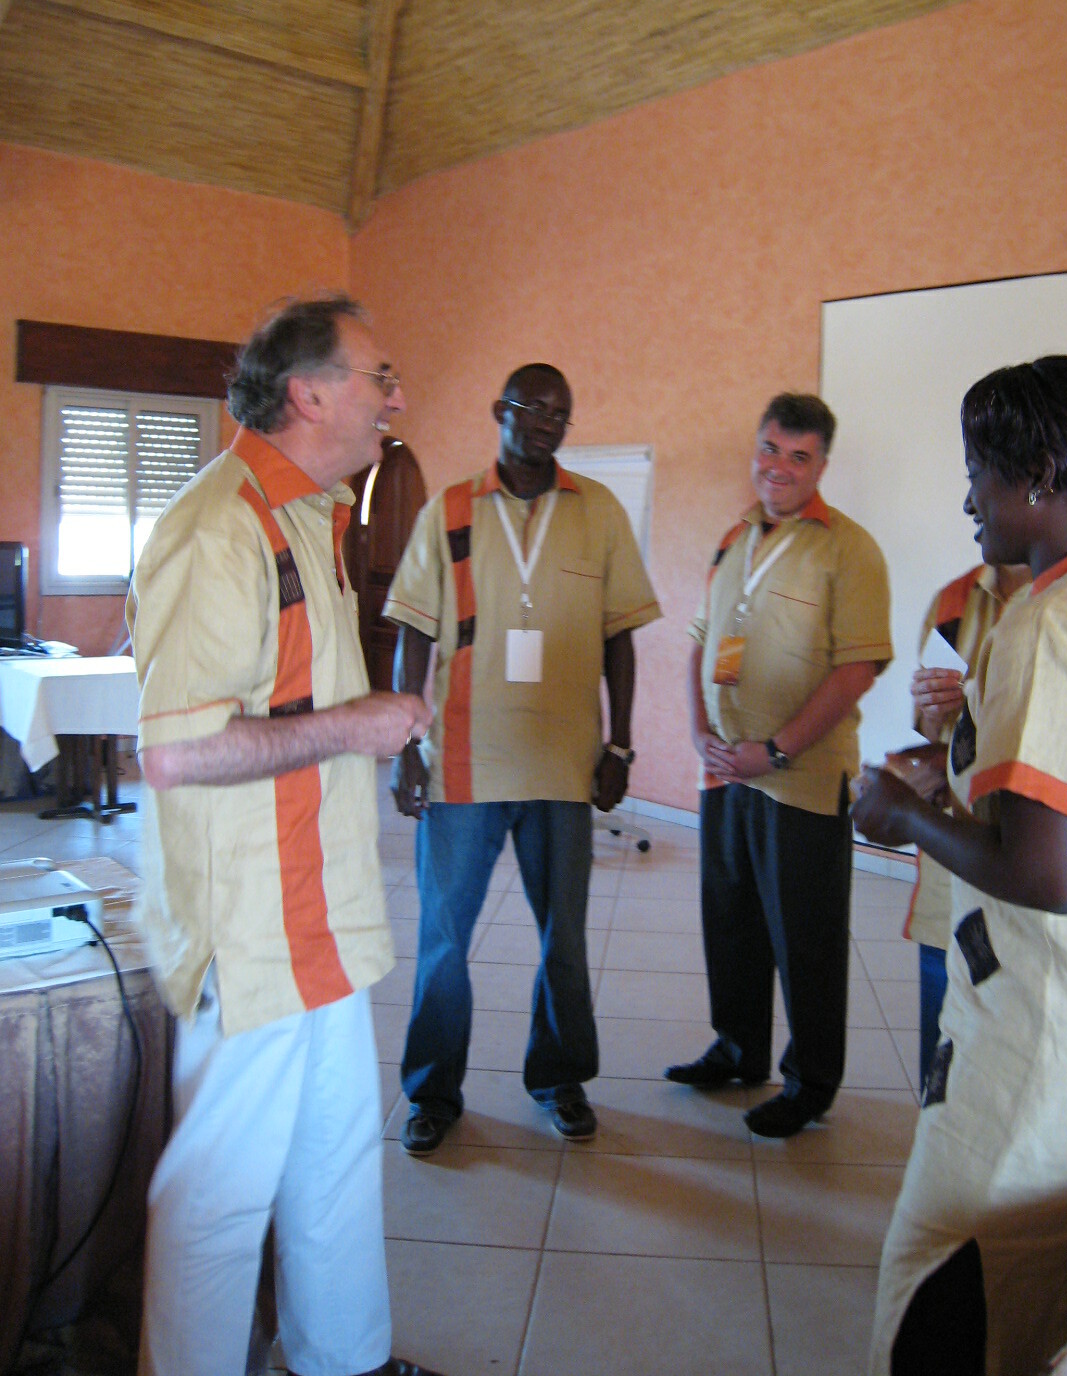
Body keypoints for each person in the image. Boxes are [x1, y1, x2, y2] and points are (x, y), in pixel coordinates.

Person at [851, 355, 1067, 1376]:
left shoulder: (1051, 623)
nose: (969, 500)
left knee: (944, 1295)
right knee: (1059, 1323)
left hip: (1049, 1071)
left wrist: (909, 814)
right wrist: (959, 777)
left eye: (979, 472)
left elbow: (1054, 873)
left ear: (1039, 475)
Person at [127, 295, 441, 1376]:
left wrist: (356, 724)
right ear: (309, 393)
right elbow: (177, 752)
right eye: (379, 378)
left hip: (320, 907)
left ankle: (342, 1357)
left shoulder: (312, 512)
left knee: (336, 1154)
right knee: (219, 1192)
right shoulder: (217, 526)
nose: (396, 399)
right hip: (250, 921)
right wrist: (356, 725)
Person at [384, 362, 660, 1154]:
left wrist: (619, 744)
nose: (546, 423)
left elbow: (620, 638)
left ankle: (560, 1079)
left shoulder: (598, 510)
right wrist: (407, 743)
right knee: (445, 939)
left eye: (559, 413)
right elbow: (413, 630)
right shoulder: (449, 510)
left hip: (563, 765)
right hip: (463, 762)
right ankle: (432, 1091)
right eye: (532, 407)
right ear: (499, 410)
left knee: (564, 939)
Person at [666, 393, 892, 1137]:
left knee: (807, 940)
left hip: (799, 782)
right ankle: (738, 1050)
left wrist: (778, 749)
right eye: (770, 449)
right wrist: (698, 729)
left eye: (799, 456)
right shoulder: (736, 536)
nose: (779, 467)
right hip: (725, 770)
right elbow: (701, 636)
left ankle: (810, 1083)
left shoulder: (849, 550)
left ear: (821, 466)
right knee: (730, 922)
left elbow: (857, 669)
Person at [901, 560, 1029, 1091]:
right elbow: (930, 731)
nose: (975, 517)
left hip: (1028, 868)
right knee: (940, 1056)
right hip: (952, 870)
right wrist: (933, 711)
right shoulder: (954, 601)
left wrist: (975, 698)